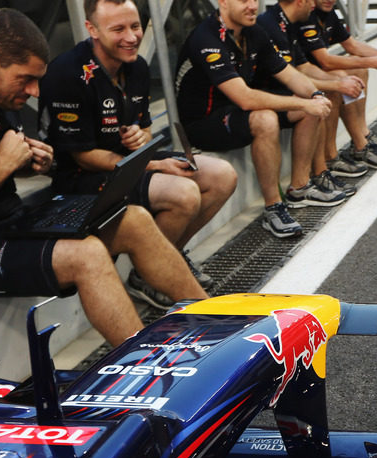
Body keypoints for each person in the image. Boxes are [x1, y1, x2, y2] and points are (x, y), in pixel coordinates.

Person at [0, 9, 207, 347]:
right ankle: (139, 365)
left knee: (134, 219)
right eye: (25, 79)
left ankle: (215, 317)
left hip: (13, 223)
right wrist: (3, 164)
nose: (35, 91)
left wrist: (28, 162)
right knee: (89, 254)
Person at [39, 0, 238, 308]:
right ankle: (154, 273)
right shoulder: (67, 73)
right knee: (184, 194)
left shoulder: (137, 66)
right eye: (118, 29)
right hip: (84, 177)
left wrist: (140, 136)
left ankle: (159, 266)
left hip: (131, 164)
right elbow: (83, 157)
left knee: (222, 176)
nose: (131, 37)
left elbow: (143, 128)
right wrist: (154, 164)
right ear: (91, 29)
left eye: (134, 26)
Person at [175, 0, 344, 240]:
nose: (253, 6)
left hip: (236, 111)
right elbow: (245, 99)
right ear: (223, 2)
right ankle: (274, 207)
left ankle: (299, 188)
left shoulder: (253, 31)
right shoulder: (207, 38)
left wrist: (314, 95)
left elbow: (288, 74)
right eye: (244, 0)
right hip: (203, 123)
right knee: (266, 118)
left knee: (309, 108)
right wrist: (304, 102)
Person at [256, 0, 364, 194]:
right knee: (314, 103)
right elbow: (290, 74)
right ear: (300, 2)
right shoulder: (270, 25)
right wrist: (335, 85)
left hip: (280, 89)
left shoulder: (286, 22)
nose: (313, 5)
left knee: (323, 95)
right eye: (310, 1)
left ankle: (334, 162)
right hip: (264, 95)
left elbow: (304, 67)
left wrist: (337, 83)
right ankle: (302, 185)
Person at [292, 0, 377, 170]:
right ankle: (342, 151)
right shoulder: (305, 15)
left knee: (359, 70)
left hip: (315, 72)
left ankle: (363, 134)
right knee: (339, 79)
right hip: (299, 78)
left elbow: (352, 45)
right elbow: (326, 61)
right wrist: (375, 61)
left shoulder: (328, 12)